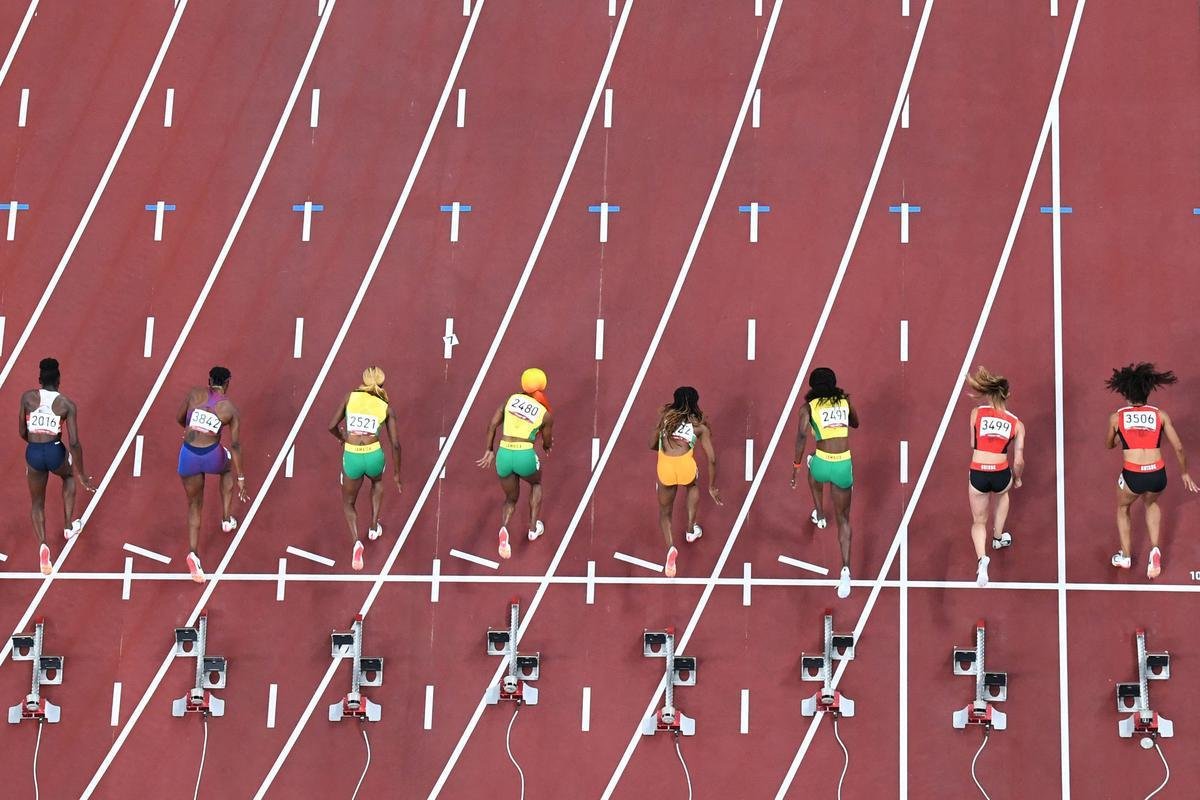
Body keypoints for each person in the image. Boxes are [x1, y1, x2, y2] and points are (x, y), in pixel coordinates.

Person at [1104, 363, 1198, 579]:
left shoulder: (1117, 418)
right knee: (1151, 504)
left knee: (1123, 508)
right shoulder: (1160, 415)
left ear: (1125, 393)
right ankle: (1155, 550)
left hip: (1133, 475)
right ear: (1147, 392)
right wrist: (1184, 473)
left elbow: (1109, 444)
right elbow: (1179, 447)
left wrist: (1120, 436)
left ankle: (1125, 556)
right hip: (1157, 475)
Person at [18, 358, 96, 575]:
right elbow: (74, 443)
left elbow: (22, 431)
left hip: (34, 452)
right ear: (59, 379)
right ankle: (68, 526)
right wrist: (81, 473)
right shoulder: (66, 404)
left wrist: (35, 444)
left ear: (40, 379)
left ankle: (43, 544)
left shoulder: (27, 397)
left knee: (37, 503)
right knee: (68, 476)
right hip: (55, 451)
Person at [176, 366, 249, 583]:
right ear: (227, 383)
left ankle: (193, 553)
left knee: (194, 505)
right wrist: (241, 477)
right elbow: (235, 445)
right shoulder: (230, 409)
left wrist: (192, 428)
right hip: (211, 455)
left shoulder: (193, 394)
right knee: (226, 468)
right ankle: (226, 519)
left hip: (188, 455)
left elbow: (179, 418)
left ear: (209, 380)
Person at [791, 367, 858, 598]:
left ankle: (819, 515)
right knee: (844, 519)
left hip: (822, 463)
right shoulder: (845, 402)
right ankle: (846, 569)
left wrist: (796, 465)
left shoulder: (807, 408)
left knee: (813, 467)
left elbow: (801, 436)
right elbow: (855, 423)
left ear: (812, 386)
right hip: (842, 465)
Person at [328, 366, 402, 571]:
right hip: (373, 455)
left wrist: (343, 437)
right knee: (377, 483)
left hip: (352, 456)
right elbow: (396, 445)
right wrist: (397, 474)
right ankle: (373, 527)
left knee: (348, 503)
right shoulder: (386, 407)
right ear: (382, 384)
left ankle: (356, 542)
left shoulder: (349, 397)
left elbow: (331, 426)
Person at [477, 368, 554, 560]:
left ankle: (504, 528)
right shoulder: (544, 414)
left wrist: (489, 450)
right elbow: (547, 440)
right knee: (536, 484)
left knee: (510, 499)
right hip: (524, 455)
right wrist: (546, 446)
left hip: (503, 454)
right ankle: (533, 528)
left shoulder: (510, 400)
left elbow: (492, 425)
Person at [650, 386, 721, 579]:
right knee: (692, 486)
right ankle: (690, 530)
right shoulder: (700, 427)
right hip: (685, 467)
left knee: (665, 513)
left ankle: (670, 548)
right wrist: (712, 487)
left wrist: (662, 443)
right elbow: (712, 459)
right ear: (696, 403)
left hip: (665, 467)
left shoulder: (665, 417)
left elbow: (651, 443)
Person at [965, 367, 1025, 588]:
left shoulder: (976, 413)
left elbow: (973, 443)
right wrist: (1017, 478)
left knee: (978, 521)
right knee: (1002, 496)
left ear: (989, 393)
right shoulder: (1017, 424)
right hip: (1001, 473)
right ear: (1007, 395)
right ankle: (998, 538)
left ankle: (982, 559)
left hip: (979, 472)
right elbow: (1018, 461)